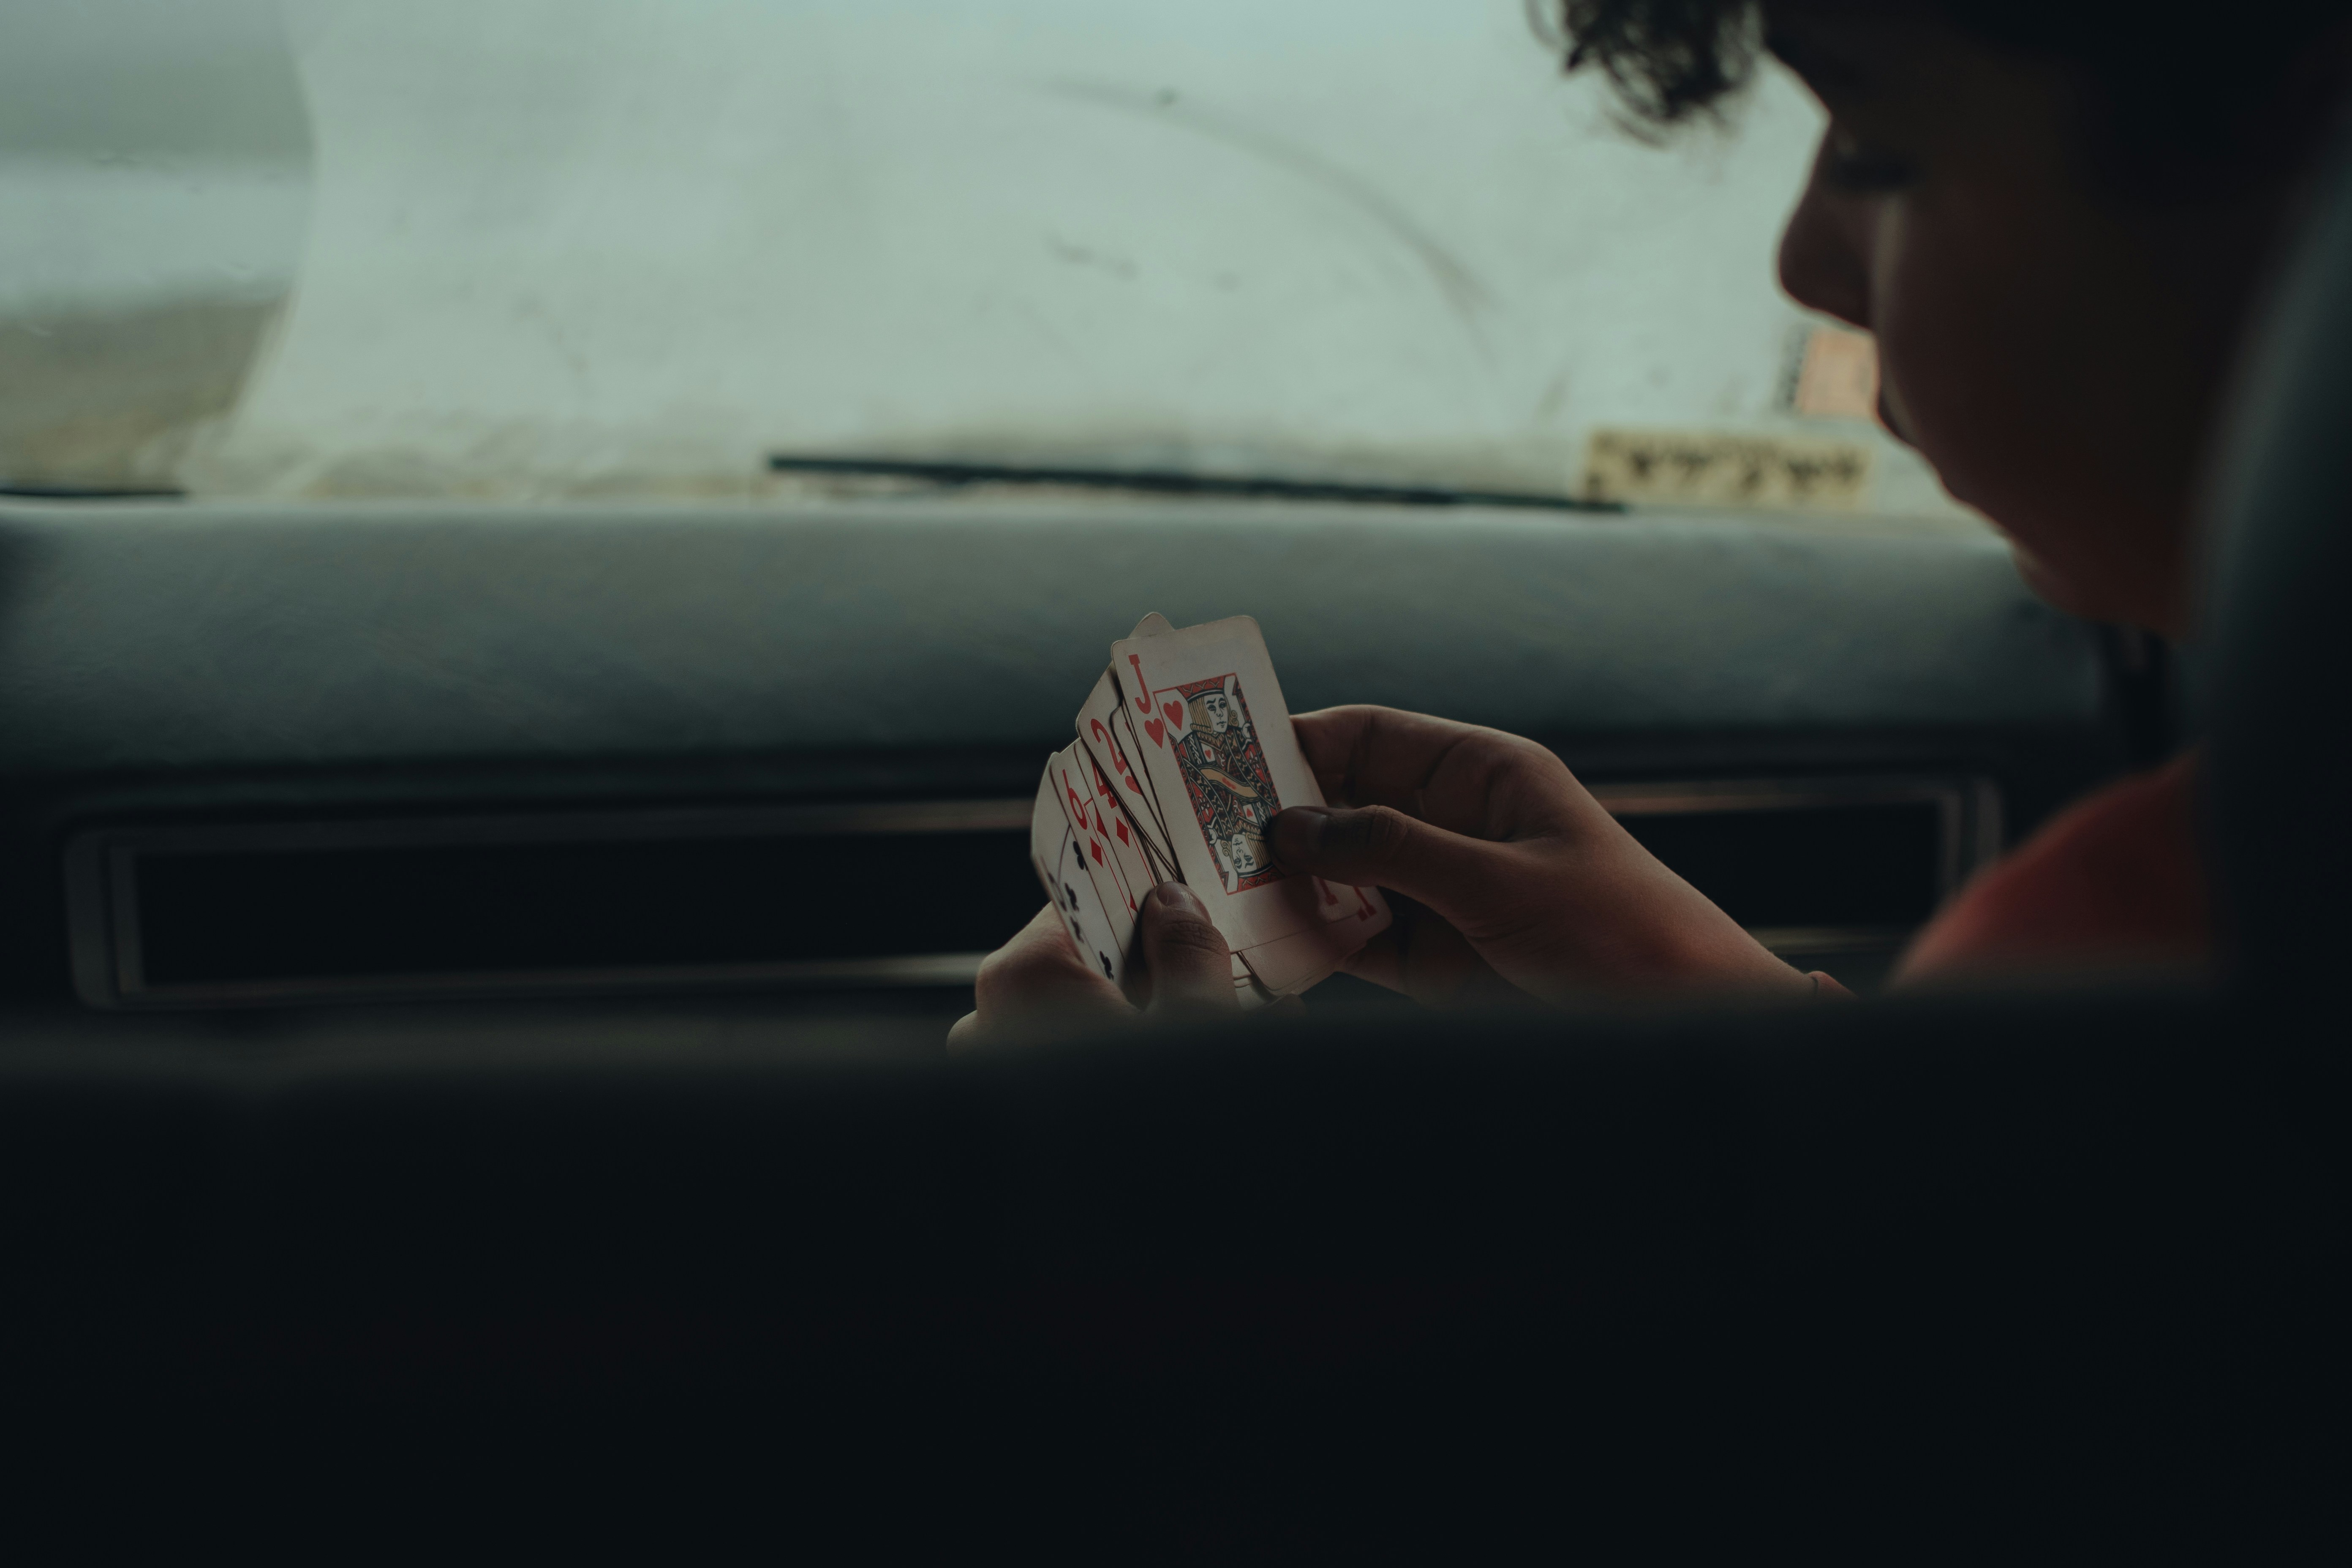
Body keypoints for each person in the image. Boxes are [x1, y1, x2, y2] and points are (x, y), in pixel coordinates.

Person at [950, 0, 2352, 1047]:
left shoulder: (2143, 956)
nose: (1802, 262)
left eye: (1872, 145)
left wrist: (1168, 1218)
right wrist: (1721, 1010)